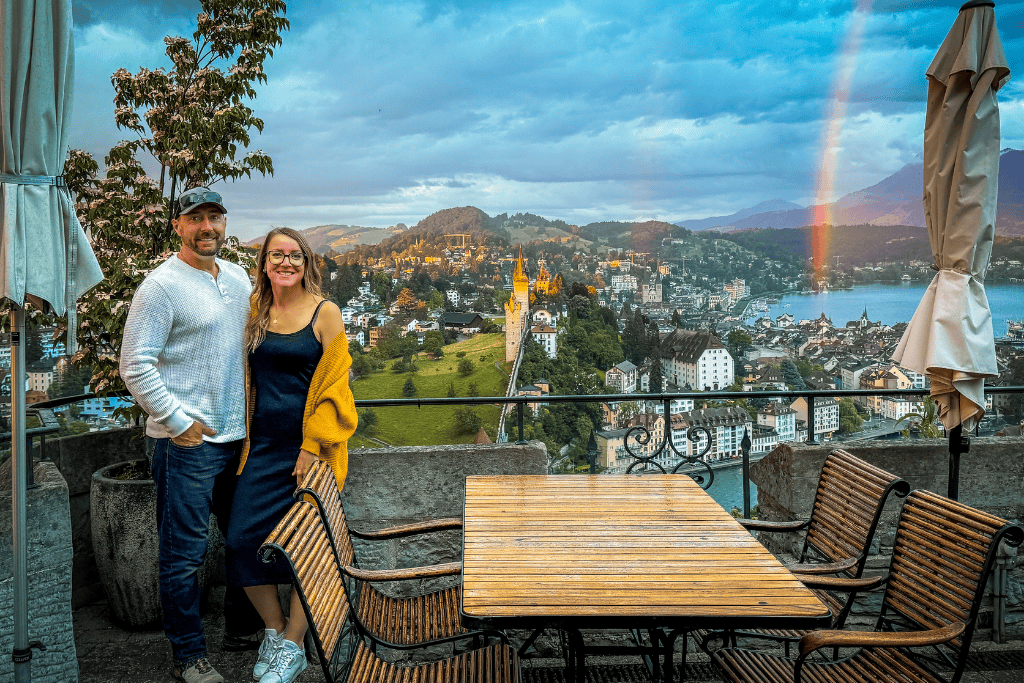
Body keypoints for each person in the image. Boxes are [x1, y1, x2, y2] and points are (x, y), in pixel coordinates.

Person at [120, 186, 260, 683]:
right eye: (195, 218)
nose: (207, 227)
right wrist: (178, 424)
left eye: (215, 218)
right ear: (178, 226)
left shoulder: (239, 277)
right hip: (188, 446)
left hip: (237, 440)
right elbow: (134, 364)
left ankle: (243, 632)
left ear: (225, 223)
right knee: (183, 555)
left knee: (246, 538)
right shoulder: (160, 287)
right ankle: (189, 657)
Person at [226, 227, 356, 683]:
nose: (286, 262)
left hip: (310, 452)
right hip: (260, 449)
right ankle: (276, 632)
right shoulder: (255, 313)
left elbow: (337, 386)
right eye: (276, 255)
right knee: (242, 539)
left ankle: (294, 644)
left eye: (294, 255)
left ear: (307, 263)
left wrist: (311, 446)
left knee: (309, 548)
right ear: (263, 263)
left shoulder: (325, 313)